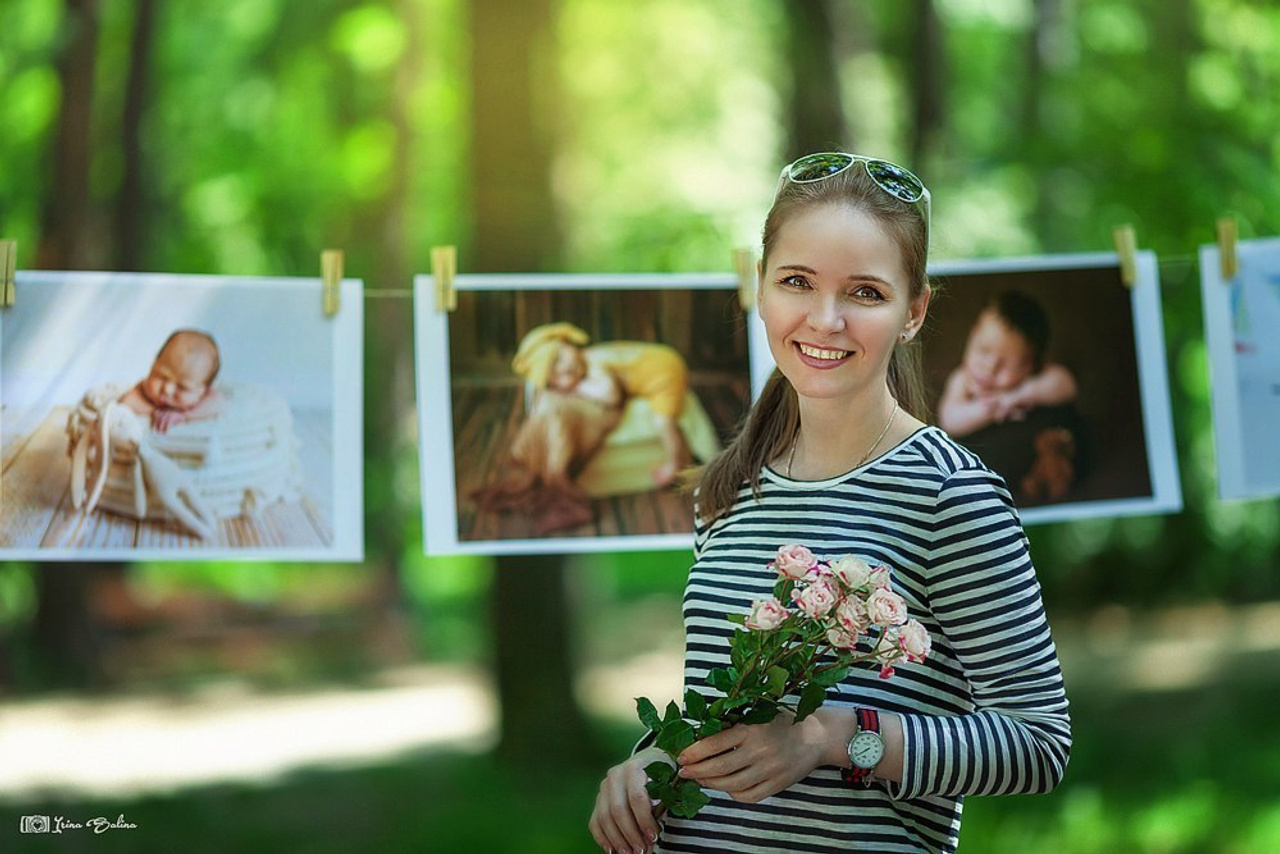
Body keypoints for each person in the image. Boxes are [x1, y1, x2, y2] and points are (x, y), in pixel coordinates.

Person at [588, 152, 1071, 853]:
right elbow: (728, 712)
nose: (825, 318)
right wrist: (652, 760)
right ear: (760, 288)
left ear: (915, 312)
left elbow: (1038, 744)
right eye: (796, 281)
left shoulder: (950, 493)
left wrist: (837, 738)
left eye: (866, 293)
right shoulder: (728, 488)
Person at [937, 293, 1085, 503]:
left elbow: (1068, 385)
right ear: (973, 335)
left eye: (1006, 364)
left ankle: (1051, 468)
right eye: (983, 350)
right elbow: (949, 420)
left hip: (1036, 442)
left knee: (1068, 423)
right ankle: (1031, 480)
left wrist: (1021, 394)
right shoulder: (961, 379)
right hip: (993, 458)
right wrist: (987, 409)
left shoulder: (1033, 379)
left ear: (1029, 367)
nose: (989, 367)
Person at [513, 323, 693, 487]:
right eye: (557, 376)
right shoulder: (586, 359)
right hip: (658, 356)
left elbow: (611, 396)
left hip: (663, 372)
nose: (565, 368)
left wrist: (577, 387)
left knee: (663, 421)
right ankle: (684, 457)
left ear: (569, 344)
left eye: (559, 358)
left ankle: (675, 464)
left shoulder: (595, 363)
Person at [118, 329, 222, 434]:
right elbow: (126, 403)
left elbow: (219, 405)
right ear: (153, 365)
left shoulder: (209, 398)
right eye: (161, 377)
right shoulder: (144, 390)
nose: (167, 389)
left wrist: (185, 416)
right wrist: (154, 412)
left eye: (182, 387)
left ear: (203, 392)